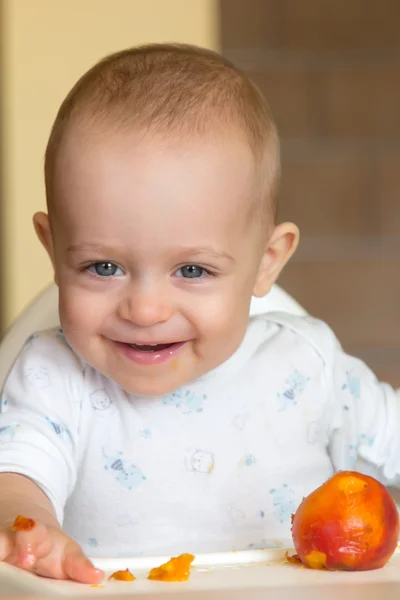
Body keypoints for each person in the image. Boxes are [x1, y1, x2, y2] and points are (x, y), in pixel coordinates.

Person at [0, 43, 398, 583]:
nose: (145, 309)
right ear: (53, 249)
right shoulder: (53, 377)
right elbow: (15, 478)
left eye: (192, 271)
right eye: (103, 266)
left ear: (266, 262)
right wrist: (28, 529)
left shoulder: (306, 368)